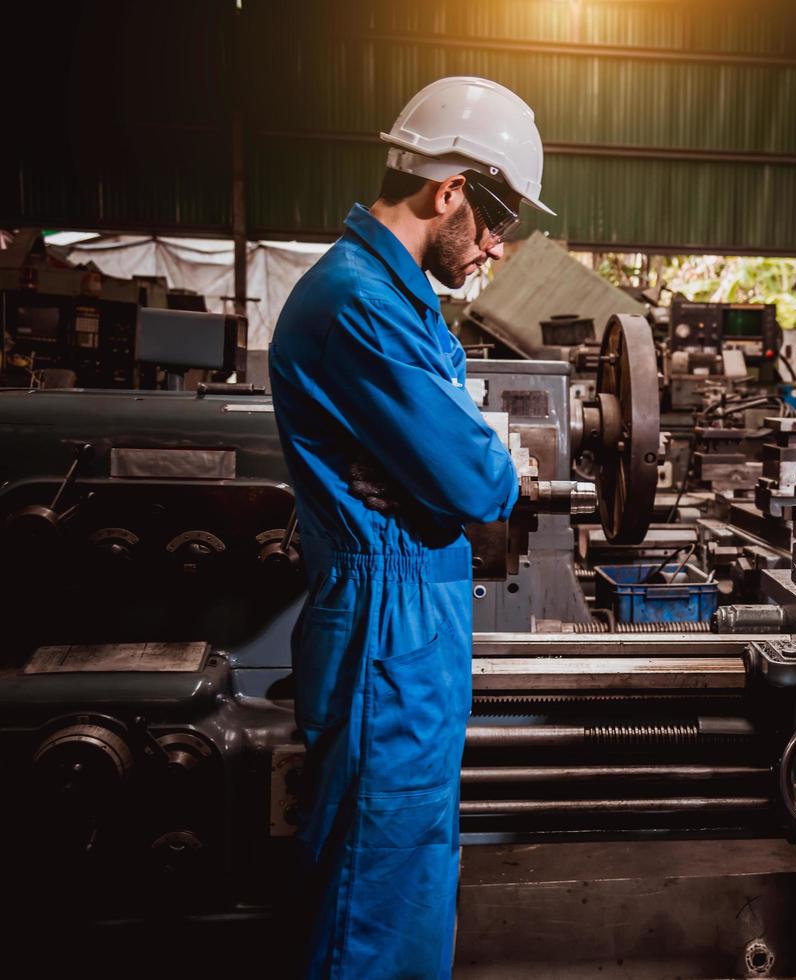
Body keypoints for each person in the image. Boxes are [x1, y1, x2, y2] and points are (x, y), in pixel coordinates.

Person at [268, 76, 555, 978]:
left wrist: (457, 464)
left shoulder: (399, 300)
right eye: (499, 223)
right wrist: (481, 466)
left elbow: (452, 459)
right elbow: (477, 477)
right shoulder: (359, 304)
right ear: (452, 190)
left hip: (409, 626)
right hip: (385, 635)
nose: (500, 250)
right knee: (375, 895)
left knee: (408, 875)